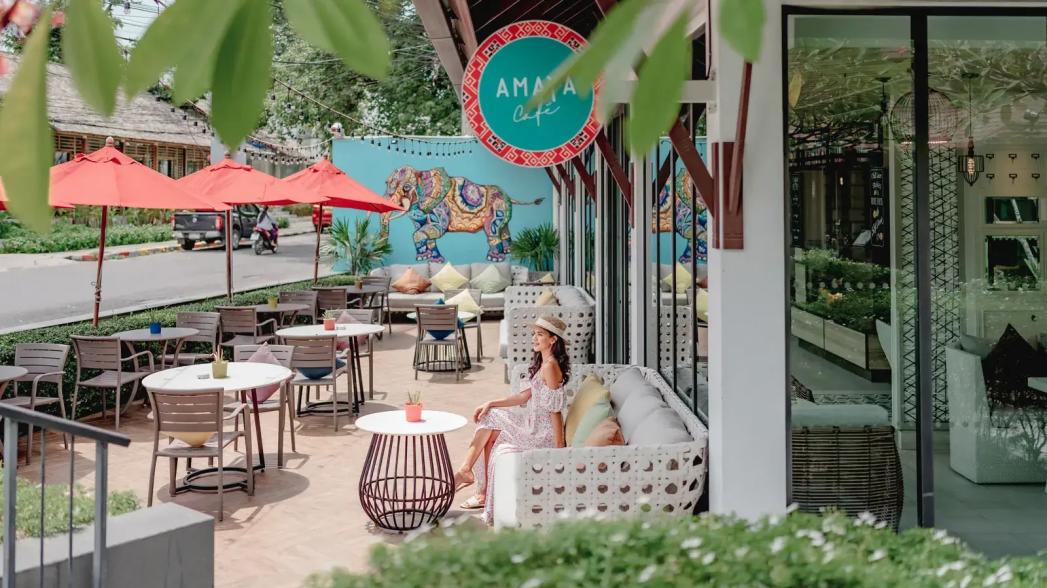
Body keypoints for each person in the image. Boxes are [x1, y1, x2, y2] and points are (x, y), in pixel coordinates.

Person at [453, 315, 571, 523]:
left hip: (542, 433)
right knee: (490, 416)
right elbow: (523, 396)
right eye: (534, 334)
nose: (534, 338)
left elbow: (555, 411)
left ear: (553, 340)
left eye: (540, 334)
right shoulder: (544, 363)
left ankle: (472, 479)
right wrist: (491, 402)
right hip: (532, 424)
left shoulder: (550, 366)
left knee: (491, 426)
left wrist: (559, 447)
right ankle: (471, 476)